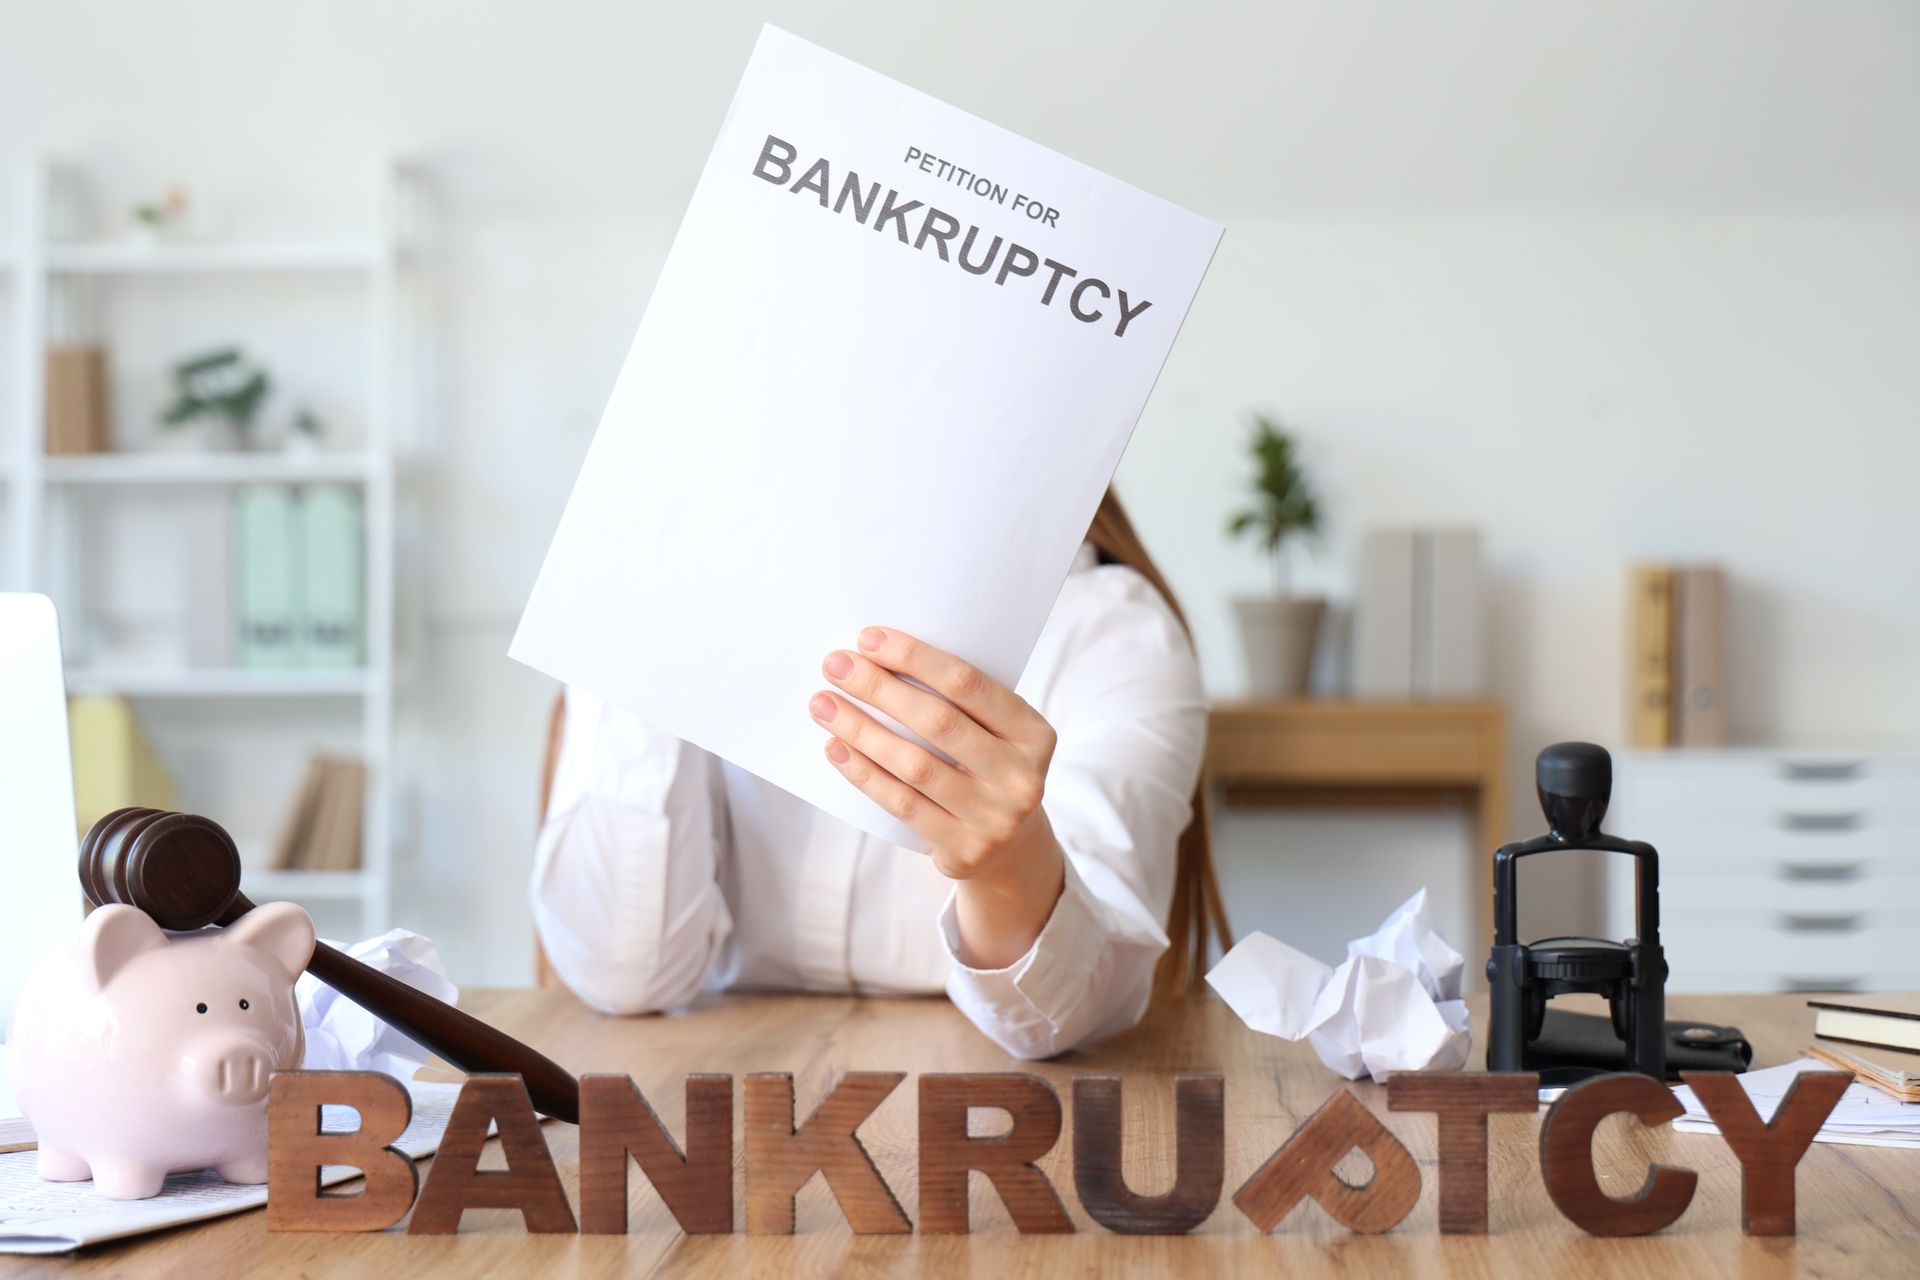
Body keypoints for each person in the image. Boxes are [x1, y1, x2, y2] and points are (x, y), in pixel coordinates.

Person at [529, 489, 1228, 1058]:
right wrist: (646, 603)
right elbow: (622, 974)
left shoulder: (1107, 628)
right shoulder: (678, 585)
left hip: (994, 1133)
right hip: (704, 1122)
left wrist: (1009, 867)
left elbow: (1070, 1006)